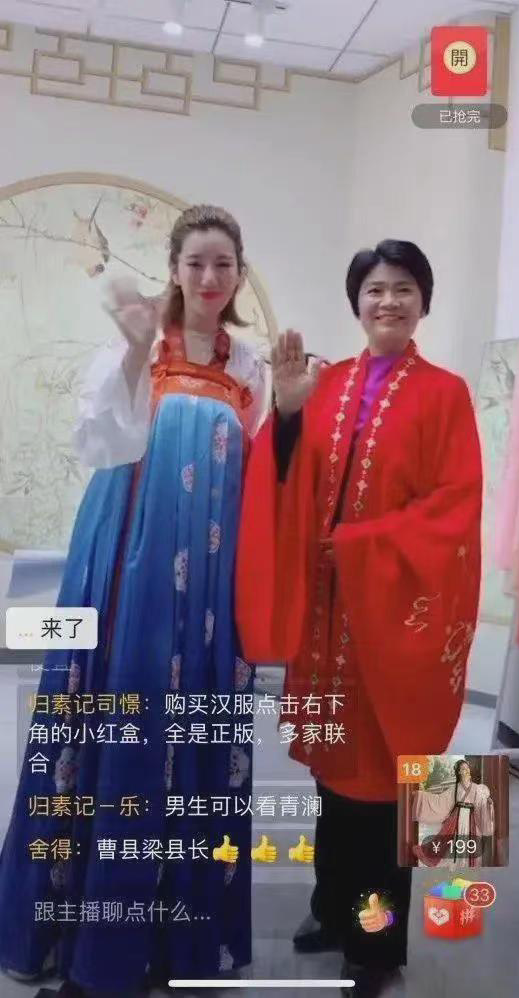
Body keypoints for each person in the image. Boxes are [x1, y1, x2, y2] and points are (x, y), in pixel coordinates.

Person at [0, 205, 266, 997]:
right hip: (126, 565)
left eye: (223, 264)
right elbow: (102, 444)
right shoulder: (140, 344)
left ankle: (173, 942)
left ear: (238, 274)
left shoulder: (249, 365)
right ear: (173, 269)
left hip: (208, 588)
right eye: (195, 263)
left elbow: (253, 480)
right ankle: (86, 945)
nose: (209, 278)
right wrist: (128, 349)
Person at [236, 240, 483, 998]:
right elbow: (284, 477)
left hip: (398, 621)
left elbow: (454, 506)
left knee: (392, 791)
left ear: (423, 301)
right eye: (375, 289)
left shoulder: (445, 393)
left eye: (403, 288)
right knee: (333, 779)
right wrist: (284, 413)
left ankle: (375, 946)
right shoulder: (328, 382)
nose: (388, 301)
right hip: (329, 619)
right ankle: (331, 907)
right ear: (356, 302)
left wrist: (360, 543)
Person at [411, 759, 494, 869]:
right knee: (452, 843)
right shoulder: (454, 788)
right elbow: (440, 800)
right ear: (459, 772)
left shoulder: (477, 788)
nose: (466, 770)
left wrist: (488, 803)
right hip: (456, 819)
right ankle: (455, 867)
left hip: (471, 820)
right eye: (463, 769)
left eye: (467, 768)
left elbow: (480, 804)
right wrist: (420, 795)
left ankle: (467, 867)